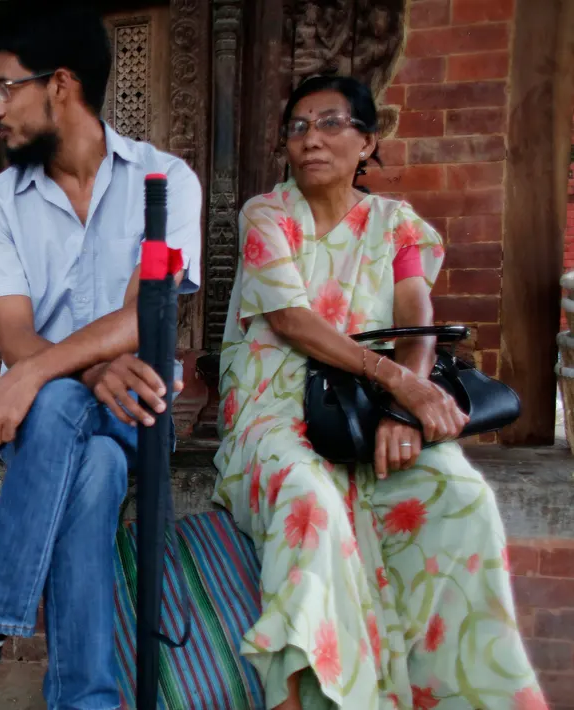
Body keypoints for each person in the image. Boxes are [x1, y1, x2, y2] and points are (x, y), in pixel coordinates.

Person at [213, 75, 546, 710]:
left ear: (367, 141)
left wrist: (400, 409)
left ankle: (456, 693)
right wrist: (396, 384)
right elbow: (291, 320)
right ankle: (308, 698)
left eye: (331, 124)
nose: (312, 139)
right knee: (310, 503)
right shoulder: (268, 214)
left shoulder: (397, 225)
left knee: (460, 492)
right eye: (298, 127)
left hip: (368, 412)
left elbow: (416, 316)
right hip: (275, 411)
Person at [0, 5, 202, 709]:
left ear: (60, 84)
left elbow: (143, 316)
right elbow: (12, 336)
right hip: (45, 420)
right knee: (90, 461)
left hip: (136, 409)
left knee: (72, 409)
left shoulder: (164, 181)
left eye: (7, 86)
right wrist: (75, 369)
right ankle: (86, 700)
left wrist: (38, 372)